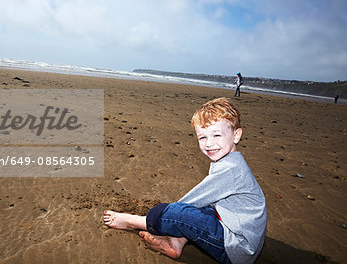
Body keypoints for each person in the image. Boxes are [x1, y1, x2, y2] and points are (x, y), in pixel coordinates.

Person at [103, 98, 267, 264]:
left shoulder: (230, 169)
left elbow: (189, 203)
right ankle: (176, 242)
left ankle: (132, 222)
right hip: (238, 232)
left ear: (236, 135)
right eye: (202, 137)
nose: (209, 144)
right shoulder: (230, 161)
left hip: (236, 249)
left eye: (217, 135)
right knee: (202, 208)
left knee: (178, 212)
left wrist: (165, 215)